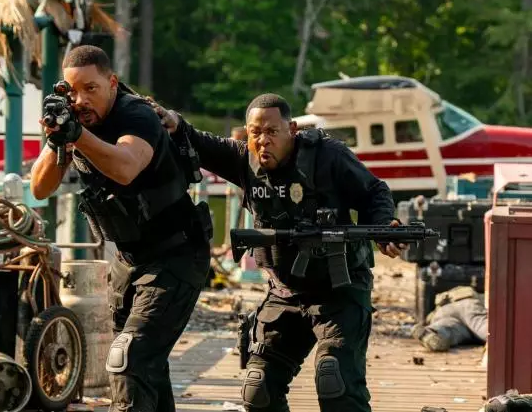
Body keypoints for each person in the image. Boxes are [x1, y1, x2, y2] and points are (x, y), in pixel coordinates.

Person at [152, 93, 403, 412]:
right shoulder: (243, 160)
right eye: (255, 132)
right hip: (284, 293)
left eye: (272, 131)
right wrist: (173, 122)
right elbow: (198, 141)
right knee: (258, 389)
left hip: (340, 289)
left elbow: (374, 192)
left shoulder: (328, 156)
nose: (263, 140)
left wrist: (383, 227)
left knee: (335, 382)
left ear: (292, 129)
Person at [30, 45, 212, 412]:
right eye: (72, 90)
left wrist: (76, 133)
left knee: (129, 360)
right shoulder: (74, 122)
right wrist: (57, 137)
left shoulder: (136, 115)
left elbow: (126, 167)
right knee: (147, 369)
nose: (81, 100)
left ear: (112, 83)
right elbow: (39, 187)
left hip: (176, 254)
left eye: (91, 88)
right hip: (130, 262)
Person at [412, 286, 487, 352]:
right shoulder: (472, 295)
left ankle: (432, 332)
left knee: (448, 331)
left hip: (443, 312)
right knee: (485, 330)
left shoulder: (440, 303)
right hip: (468, 306)